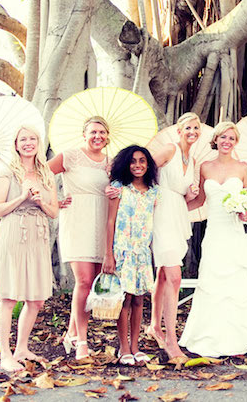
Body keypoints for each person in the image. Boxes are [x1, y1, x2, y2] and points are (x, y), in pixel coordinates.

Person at [179, 121, 247, 357]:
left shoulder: (243, 167)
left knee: (241, 278)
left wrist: (245, 211)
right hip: (215, 231)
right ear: (215, 140)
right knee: (213, 279)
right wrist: (178, 207)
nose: (227, 142)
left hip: (238, 230)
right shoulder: (205, 167)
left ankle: (246, 333)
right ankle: (211, 332)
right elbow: (200, 200)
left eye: (231, 138)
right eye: (223, 137)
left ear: (235, 142)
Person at [0, 126, 59, 373]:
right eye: (23, 139)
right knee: (8, 297)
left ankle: (22, 348)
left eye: (33, 139)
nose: (28, 143)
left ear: (39, 143)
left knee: (36, 299)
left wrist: (40, 201)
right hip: (13, 234)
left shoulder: (46, 173)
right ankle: (5, 354)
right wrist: (21, 198)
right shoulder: (6, 173)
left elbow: (54, 211)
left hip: (38, 236)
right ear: (16, 145)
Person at [48, 116, 111, 359]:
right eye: (93, 132)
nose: (98, 136)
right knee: (83, 281)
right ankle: (82, 342)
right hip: (77, 219)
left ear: (107, 137)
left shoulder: (111, 162)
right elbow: (42, 173)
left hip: (103, 221)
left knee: (93, 283)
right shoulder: (70, 156)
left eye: (102, 133)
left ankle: (71, 334)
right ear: (84, 134)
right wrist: (54, 199)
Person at [146, 112, 201, 361]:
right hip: (161, 212)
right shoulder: (170, 150)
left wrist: (192, 192)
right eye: (188, 127)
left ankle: (155, 326)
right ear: (179, 130)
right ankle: (171, 339)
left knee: (164, 273)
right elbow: (144, 168)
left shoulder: (194, 160)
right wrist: (149, 198)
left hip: (178, 213)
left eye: (196, 128)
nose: (192, 131)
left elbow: (188, 198)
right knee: (174, 276)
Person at [102, 145, 159, 366]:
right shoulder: (118, 188)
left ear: (148, 164)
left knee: (139, 299)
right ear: (127, 164)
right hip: (122, 250)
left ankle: (135, 346)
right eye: (133, 161)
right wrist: (109, 254)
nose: (138, 165)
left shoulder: (154, 191)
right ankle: (123, 347)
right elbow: (110, 222)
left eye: (142, 161)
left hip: (142, 251)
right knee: (123, 300)